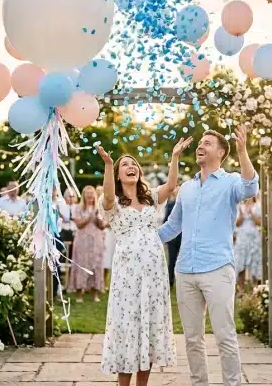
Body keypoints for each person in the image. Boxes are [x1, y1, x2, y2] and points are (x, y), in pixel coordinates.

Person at [159, 125, 257, 386]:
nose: (200, 146)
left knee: (225, 336)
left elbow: (250, 188)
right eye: (200, 142)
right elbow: (171, 226)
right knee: (192, 339)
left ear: (221, 152)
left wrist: (243, 150)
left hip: (217, 268)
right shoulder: (187, 189)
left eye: (207, 143)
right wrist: (141, 237)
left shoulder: (230, 182)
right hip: (185, 271)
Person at [97, 136, 191, 386]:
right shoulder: (114, 202)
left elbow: (171, 185)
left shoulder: (150, 199)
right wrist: (108, 164)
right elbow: (107, 196)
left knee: (148, 327)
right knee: (128, 326)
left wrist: (174, 157)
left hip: (154, 273)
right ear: (118, 175)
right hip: (127, 274)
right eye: (125, 164)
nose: (131, 167)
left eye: (134, 164)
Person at [68, 186, 106, 302]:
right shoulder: (78, 208)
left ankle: (95, 294)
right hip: (82, 240)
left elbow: (102, 225)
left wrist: (97, 218)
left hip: (96, 240)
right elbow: (78, 224)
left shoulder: (100, 208)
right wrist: (89, 216)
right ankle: (79, 294)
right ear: (83, 195)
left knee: (96, 264)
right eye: (87, 193)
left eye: (91, 193)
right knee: (81, 264)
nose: (89, 195)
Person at [234, 196, 262, 293]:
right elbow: (236, 224)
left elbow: (260, 223)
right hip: (242, 238)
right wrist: (241, 216)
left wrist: (251, 213)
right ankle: (241, 290)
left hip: (254, 238)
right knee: (241, 262)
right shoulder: (240, 206)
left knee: (254, 262)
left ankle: (254, 290)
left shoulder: (258, 206)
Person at [163, 185, 181, 288]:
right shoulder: (170, 205)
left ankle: (181, 282)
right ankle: (170, 281)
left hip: (183, 237)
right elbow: (166, 220)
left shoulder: (186, 204)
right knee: (172, 260)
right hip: (172, 239)